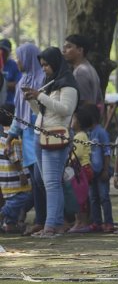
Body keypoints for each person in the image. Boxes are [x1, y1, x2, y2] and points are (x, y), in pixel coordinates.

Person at [23, 46, 78, 237]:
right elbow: (42, 112)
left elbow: (65, 110)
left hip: (57, 137)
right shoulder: (50, 83)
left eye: (46, 65)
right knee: (41, 180)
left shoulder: (68, 84)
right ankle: (57, 222)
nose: (44, 69)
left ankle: (50, 226)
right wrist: (32, 100)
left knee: (52, 182)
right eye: (42, 65)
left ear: (55, 63)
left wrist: (40, 96)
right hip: (40, 134)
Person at [5, 42, 44, 235]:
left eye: (20, 58)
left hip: (40, 135)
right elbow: (19, 115)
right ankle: (39, 220)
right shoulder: (22, 81)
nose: (18, 62)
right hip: (27, 138)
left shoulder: (43, 79)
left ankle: (46, 219)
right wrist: (11, 136)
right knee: (35, 182)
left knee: (42, 179)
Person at [77, 102, 113, 233]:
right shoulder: (87, 134)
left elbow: (107, 152)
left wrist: (105, 169)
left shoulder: (101, 132)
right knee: (93, 198)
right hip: (91, 173)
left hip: (101, 171)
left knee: (104, 197)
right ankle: (97, 222)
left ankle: (108, 222)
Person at [0, 105, 32, 232]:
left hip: (4, 178)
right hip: (15, 178)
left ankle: (10, 224)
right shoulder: (13, 138)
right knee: (20, 198)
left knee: (12, 200)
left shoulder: (1, 136)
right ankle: (2, 214)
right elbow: (15, 157)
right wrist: (21, 173)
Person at [63, 34, 102, 109]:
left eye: (68, 47)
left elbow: (84, 102)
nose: (64, 51)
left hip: (83, 118)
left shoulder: (80, 72)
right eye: (64, 47)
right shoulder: (89, 68)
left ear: (80, 50)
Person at [0, 40, 18, 106]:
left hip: (9, 103)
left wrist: (3, 84)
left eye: (4, 51)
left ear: (9, 52)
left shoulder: (13, 65)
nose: (2, 53)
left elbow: (18, 85)